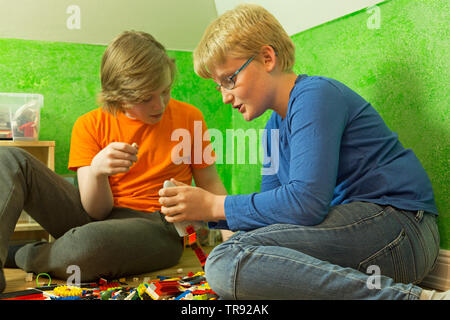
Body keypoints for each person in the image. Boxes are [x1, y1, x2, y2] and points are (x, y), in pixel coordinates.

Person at [158, 4, 449, 300]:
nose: (224, 97)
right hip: (362, 237)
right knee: (235, 252)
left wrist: (214, 206)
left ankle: (416, 299)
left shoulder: (315, 95)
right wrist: (203, 215)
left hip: (401, 231)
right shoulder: (272, 129)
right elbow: (275, 214)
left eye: (229, 80)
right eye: (219, 86)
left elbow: (306, 203)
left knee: (227, 259)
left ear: (267, 58)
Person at [0, 30, 226, 293]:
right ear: (117, 95)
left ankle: (23, 254)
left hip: (157, 227)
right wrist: (97, 172)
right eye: (145, 98)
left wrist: (231, 239)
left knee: (87, 247)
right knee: (8, 158)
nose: (160, 104)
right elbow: (96, 212)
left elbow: (211, 183)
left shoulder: (189, 118)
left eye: (165, 91)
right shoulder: (89, 124)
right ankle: (61, 251)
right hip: (96, 218)